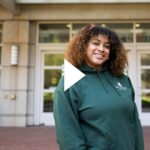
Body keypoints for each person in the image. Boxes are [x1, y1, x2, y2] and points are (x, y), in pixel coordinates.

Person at [53, 24, 144, 150]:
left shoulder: (122, 80)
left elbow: (134, 122)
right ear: (83, 46)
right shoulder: (70, 81)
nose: (101, 49)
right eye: (95, 43)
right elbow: (67, 135)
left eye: (107, 46)